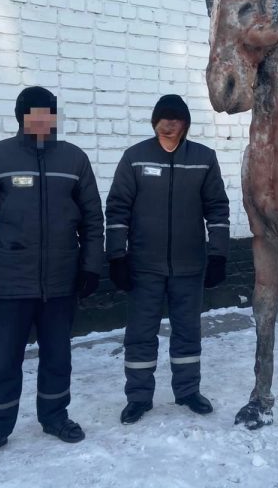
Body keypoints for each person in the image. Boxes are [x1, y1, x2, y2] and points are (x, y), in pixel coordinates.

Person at [0, 86, 104, 462]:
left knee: (58, 357)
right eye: (33, 112)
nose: (41, 119)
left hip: (60, 282)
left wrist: (91, 266)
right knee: (4, 360)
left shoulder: (74, 160)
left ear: (54, 116)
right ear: (21, 116)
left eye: (48, 112)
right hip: (8, 283)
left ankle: (55, 416)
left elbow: (92, 220)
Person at [105, 94, 230, 425]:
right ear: (154, 121)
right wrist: (116, 255)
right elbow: (117, 209)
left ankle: (188, 391)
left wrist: (218, 253)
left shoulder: (204, 159)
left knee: (188, 331)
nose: (170, 122)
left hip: (189, 266)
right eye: (164, 116)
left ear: (186, 123)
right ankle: (139, 397)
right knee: (140, 333)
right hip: (143, 266)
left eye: (177, 117)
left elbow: (217, 208)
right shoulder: (135, 158)